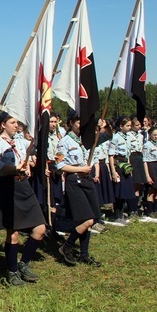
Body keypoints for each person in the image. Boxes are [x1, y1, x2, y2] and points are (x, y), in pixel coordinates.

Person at [0, 112, 47, 286]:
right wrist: (14, 168)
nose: (16, 125)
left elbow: (38, 141)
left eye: (17, 122)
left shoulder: (20, 141)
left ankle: (24, 263)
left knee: (40, 229)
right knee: (13, 233)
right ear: (2, 124)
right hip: (8, 187)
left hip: (24, 187)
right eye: (12, 122)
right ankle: (12, 271)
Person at [55, 112, 103, 267]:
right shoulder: (65, 142)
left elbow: (107, 136)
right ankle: (67, 246)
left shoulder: (86, 140)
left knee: (91, 218)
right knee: (87, 219)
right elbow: (60, 165)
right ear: (70, 123)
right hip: (74, 180)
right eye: (77, 122)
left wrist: (103, 127)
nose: (80, 125)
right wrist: (80, 169)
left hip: (87, 180)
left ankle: (84, 254)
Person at [109, 117, 138, 223]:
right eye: (127, 126)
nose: (129, 128)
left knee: (126, 190)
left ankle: (122, 214)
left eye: (130, 125)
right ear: (121, 126)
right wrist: (113, 171)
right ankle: (117, 215)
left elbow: (128, 153)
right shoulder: (115, 138)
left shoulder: (128, 137)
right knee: (119, 191)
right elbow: (111, 155)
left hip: (125, 164)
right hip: (118, 164)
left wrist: (129, 167)